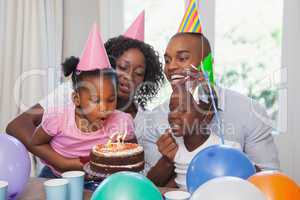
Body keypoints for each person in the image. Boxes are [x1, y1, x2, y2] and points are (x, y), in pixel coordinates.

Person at [6, 25, 164, 175]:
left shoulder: (131, 120)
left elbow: (135, 160)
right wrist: (62, 162)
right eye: (122, 67)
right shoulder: (69, 98)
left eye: (138, 72)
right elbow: (17, 127)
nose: (129, 77)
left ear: (146, 78)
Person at [142, 32, 279, 187]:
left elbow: (268, 182)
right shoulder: (155, 118)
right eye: (167, 60)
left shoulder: (250, 111)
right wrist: (167, 161)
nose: (171, 66)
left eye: (182, 58)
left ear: (207, 63)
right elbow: (150, 188)